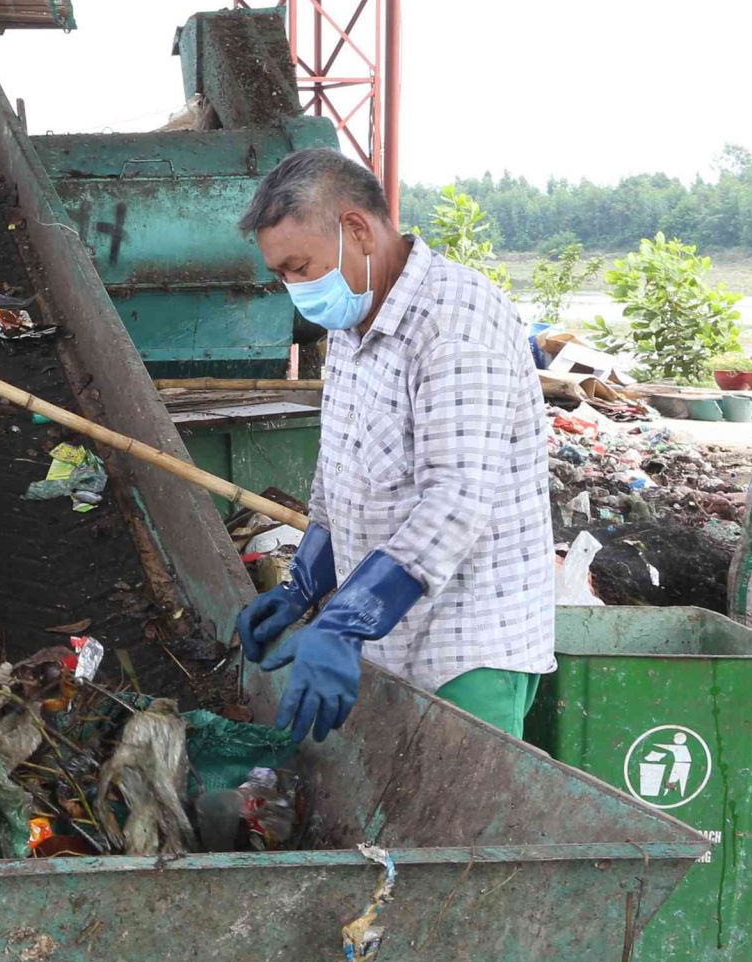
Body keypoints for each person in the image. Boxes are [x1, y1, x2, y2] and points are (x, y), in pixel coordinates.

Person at [233, 148, 554, 744]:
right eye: (282, 275)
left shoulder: (455, 322)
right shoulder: (351, 329)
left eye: (300, 267)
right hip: (389, 637)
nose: (295, 290)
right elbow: (339, 478)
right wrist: (302, 588)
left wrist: (347, 622)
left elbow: (456, 501)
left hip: (465, 651)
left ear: (356, 230)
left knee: (459, 828)